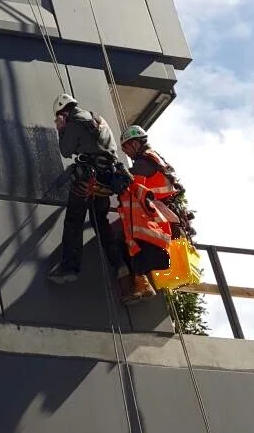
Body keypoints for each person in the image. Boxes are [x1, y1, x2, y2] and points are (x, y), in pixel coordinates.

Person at [47, 95, 130, 285]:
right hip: (106, 180)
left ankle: (69, 268)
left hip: (87, 178)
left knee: (74, 221)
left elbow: (66, 151)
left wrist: (61, 130)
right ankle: (119, 264)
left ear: (63, 112)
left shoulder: (74, 123)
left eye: (59, 118)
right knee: (101, 222)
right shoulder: (98, 119)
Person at [117, 125, 183, 301]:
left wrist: (120, 176)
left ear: (135, 143)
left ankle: (141, 284)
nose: (127, 153)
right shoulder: (154, 159)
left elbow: (133, 186)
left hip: (154, 213)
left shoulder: (144, 162)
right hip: (162, 212)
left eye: (126, 148)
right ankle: (143, 284)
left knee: (133, 242)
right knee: (135, 244)